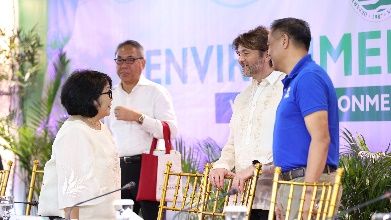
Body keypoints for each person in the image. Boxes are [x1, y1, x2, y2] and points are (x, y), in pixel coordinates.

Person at [209, 26, 285, 220]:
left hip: (276, 197)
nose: (240, 59)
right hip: (242, 200)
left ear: (266, 53)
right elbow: (233, 142)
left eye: (246, 53)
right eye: (238, 53)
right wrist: (221, 164)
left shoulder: (286, 88)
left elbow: (290, 145)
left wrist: (257, 169)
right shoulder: (242, 97)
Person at [267, 18, 339, 219]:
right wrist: (284, 190)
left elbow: (321, 138)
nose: (268, 52)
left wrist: (307, 193)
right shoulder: (296, 80)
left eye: (269, 45)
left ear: (284, 41)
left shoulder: (308, 77)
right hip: (294, 184)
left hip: (307, 183)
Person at [104, 40, 177, 220]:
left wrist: (139, 117)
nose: (124, 66)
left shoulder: (156, 92)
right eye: (119, 60)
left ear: (142, 63)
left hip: (149, 167)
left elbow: (171, 131)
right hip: (120, 169)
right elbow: (106, 134)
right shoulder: (110, 95)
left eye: (130, 60)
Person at [38, 70, 120, 220]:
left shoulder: (101, 127)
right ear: (91, 98)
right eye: (108, 93)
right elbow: (72, 190)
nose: (111, 99)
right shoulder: (75, 131)